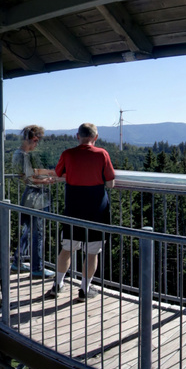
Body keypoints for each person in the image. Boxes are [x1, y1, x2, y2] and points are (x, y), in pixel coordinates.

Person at [52, 122, 117, 302]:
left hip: (73, 208)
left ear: (77, 136)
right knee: (92, 252)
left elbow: (58, 173)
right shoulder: (102, 154)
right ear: (95, 138)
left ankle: (57, 285)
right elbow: (111, 182)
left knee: (67, 248)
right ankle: (84, 289)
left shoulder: (67, 154)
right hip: (97, 210)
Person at [11, 125, 54, 275]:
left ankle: (17, 262)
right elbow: (29, 179)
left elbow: (28, 174)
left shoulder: (20, 154)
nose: (37, 145)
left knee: (28, 231)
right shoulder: (23, 155)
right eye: (36, 141)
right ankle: (37, 268)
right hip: (35, 198)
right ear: (33, 139)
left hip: (29, 198)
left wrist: (46, 174)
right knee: (38, 233)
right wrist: (48, 181)